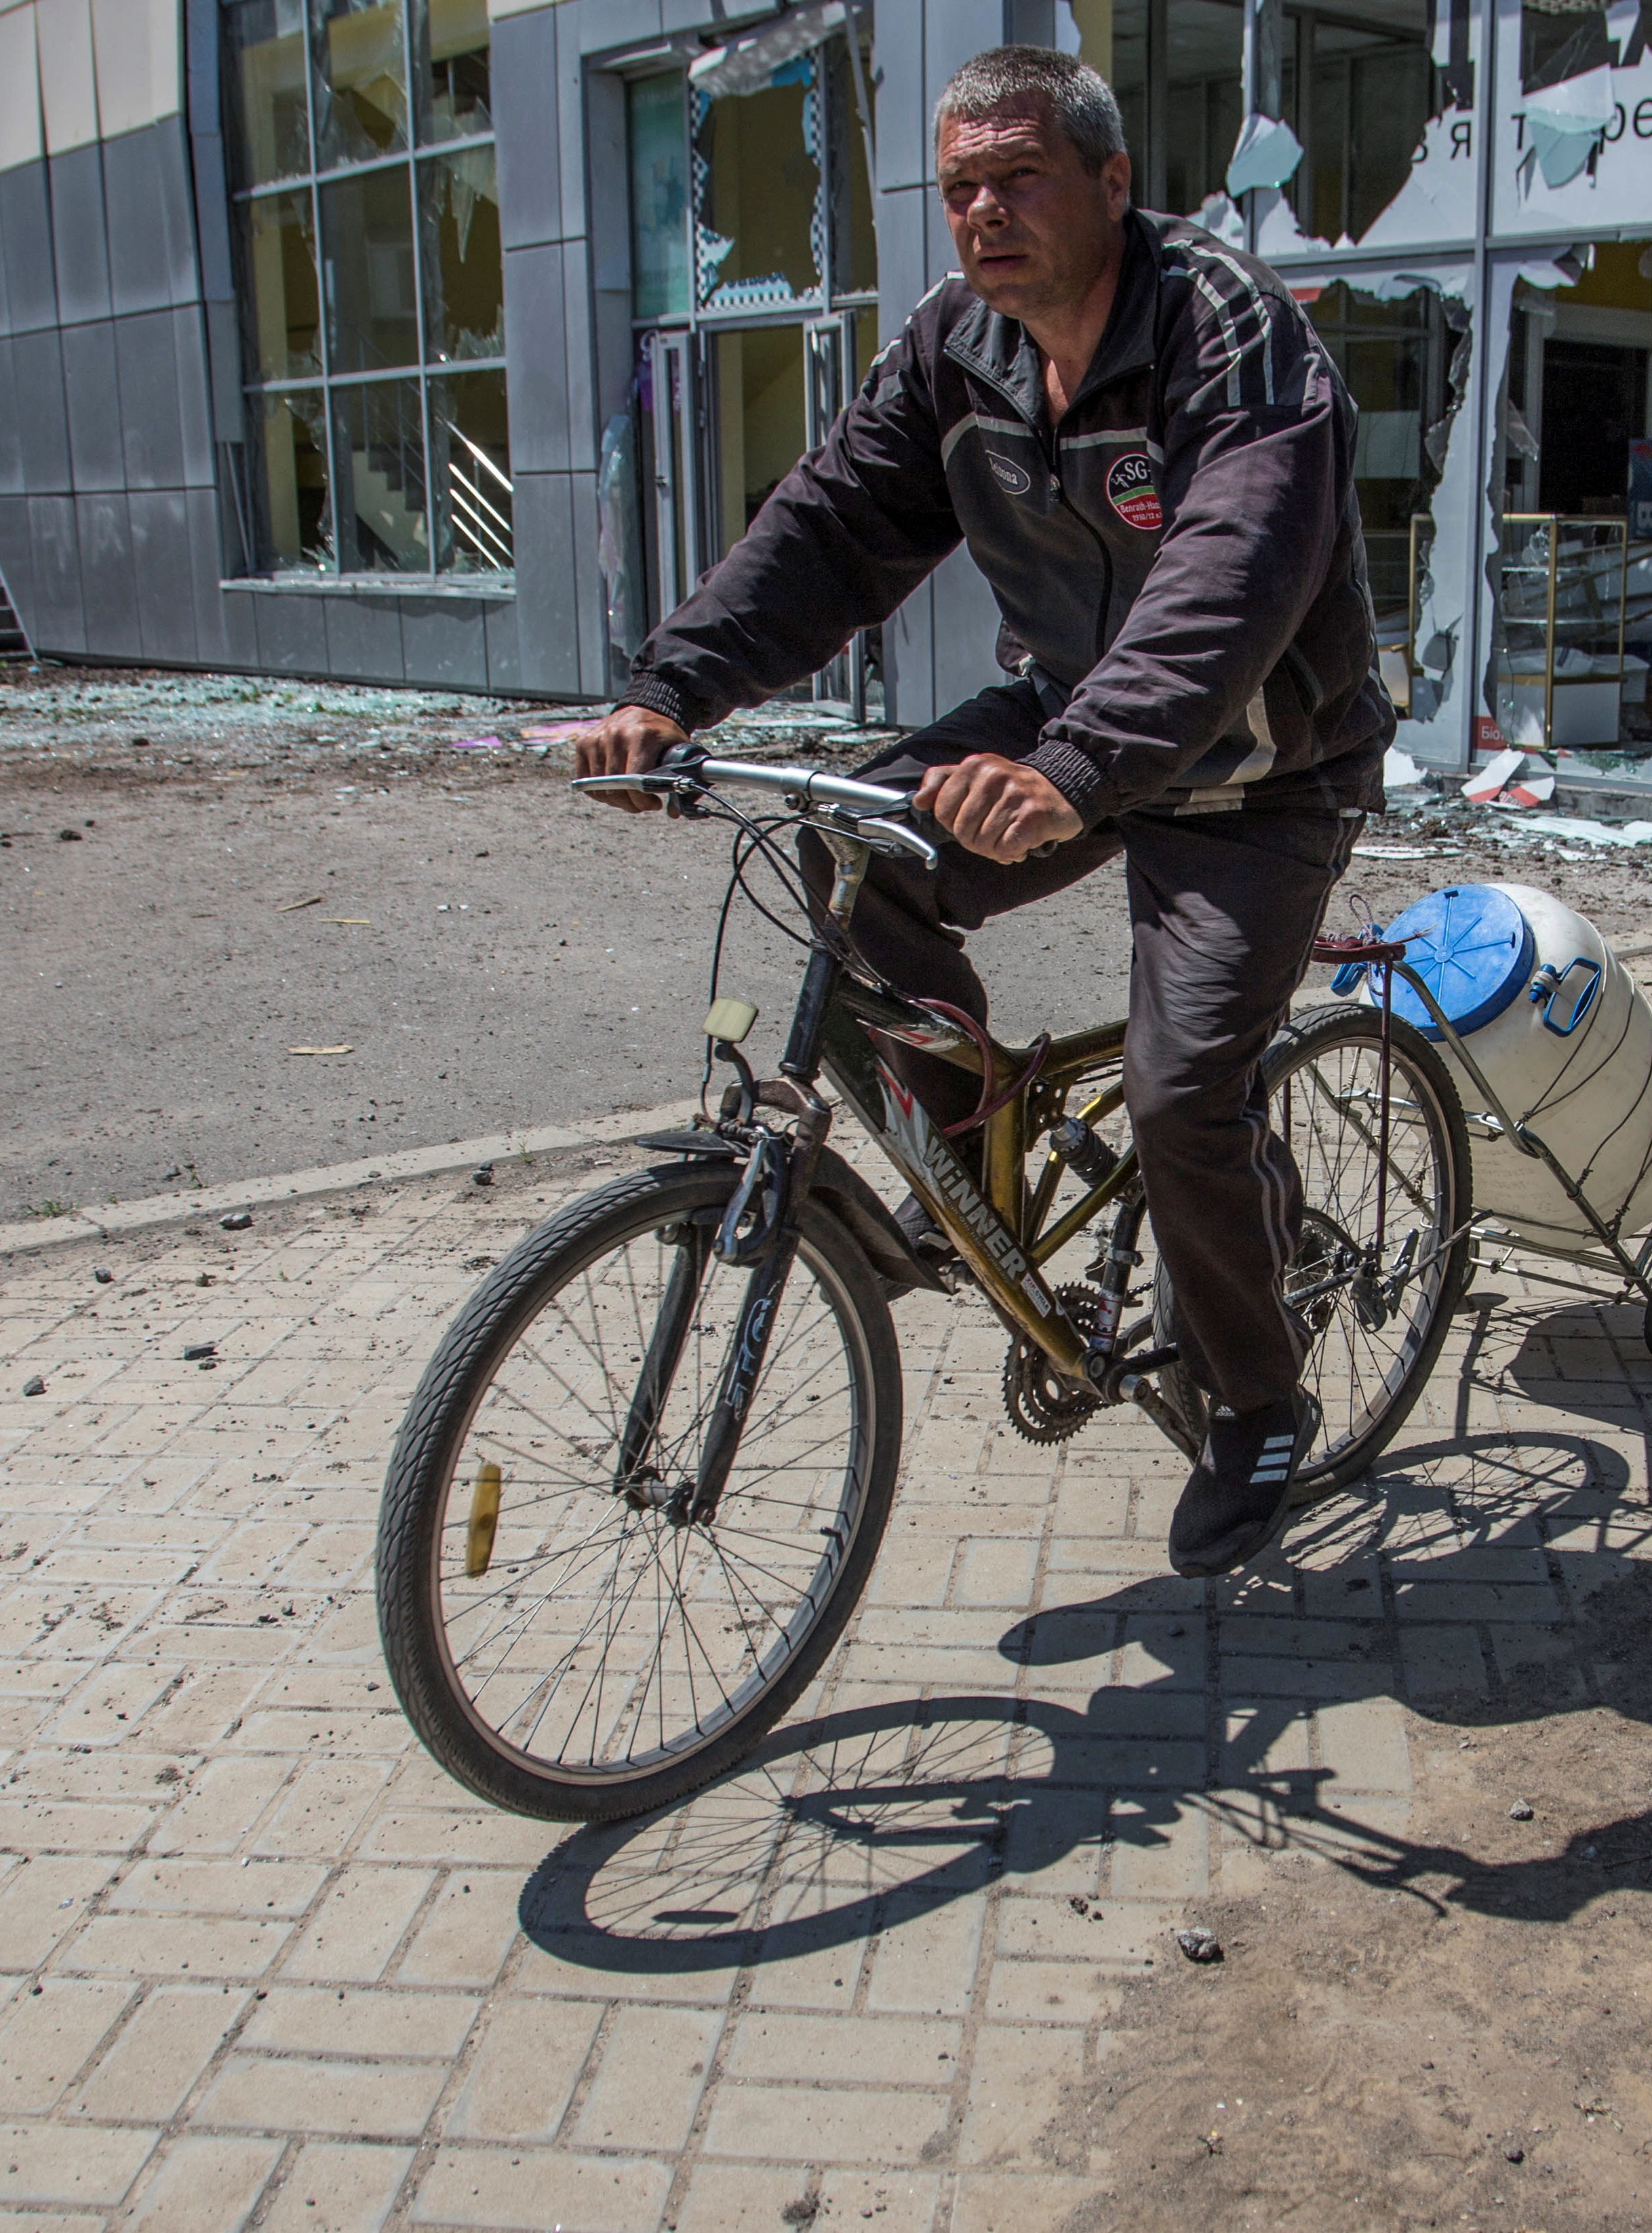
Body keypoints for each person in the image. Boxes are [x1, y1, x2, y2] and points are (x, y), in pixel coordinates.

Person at [566, 46, 1390, 1579]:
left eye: (1016, 177)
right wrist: (673, 691)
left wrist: (1072, 773)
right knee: (846, 856)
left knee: (1179, 1098)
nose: (983, 213)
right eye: (958, 188)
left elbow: (1229, 582)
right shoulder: (960, 346)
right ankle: (975, 1162)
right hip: (1067, 710)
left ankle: (1260, 1396)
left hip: (1262, 762)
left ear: (1110, 183)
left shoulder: (1229, 332)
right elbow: (829, 526)